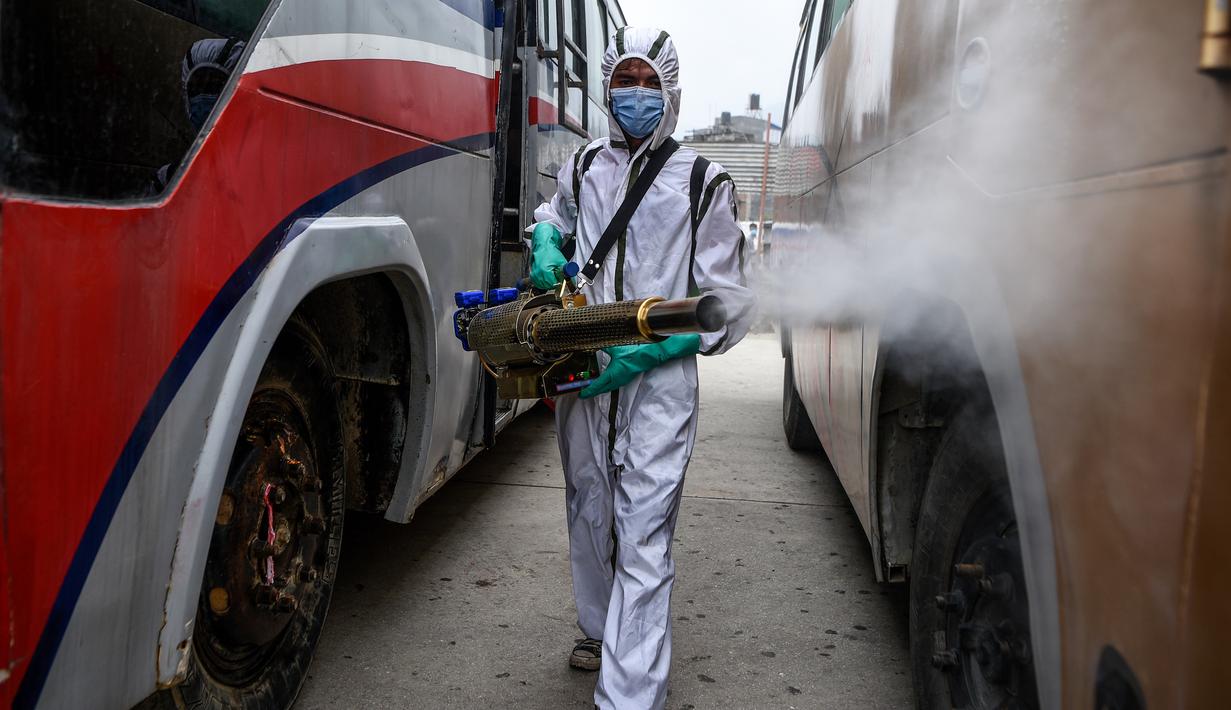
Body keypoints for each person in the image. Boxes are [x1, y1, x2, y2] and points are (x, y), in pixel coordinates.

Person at [528, 27, 754, 710]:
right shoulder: (583, 164)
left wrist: (654, 349)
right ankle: (601, 631)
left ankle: (628, 697)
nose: (634, 94)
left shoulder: (700, 180)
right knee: (589, 511)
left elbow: (729, 301)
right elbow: (554, 214)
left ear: (671, 90)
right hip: (587, 373)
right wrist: (544, 237)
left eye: (647, 82)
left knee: (645, 536)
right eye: (623, 81)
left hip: (658, 384)